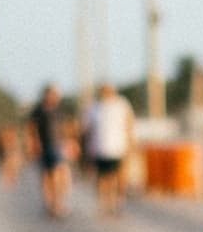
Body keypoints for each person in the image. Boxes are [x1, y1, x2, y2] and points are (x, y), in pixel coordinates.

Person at [82, 85, 135, 216]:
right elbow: (86, 129)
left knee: (118, 177)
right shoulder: (94, 108)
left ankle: (117, 203)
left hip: (118, 147)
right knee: (102, 178)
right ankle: (104, 204)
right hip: (99, 148)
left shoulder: (121, 104)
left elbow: (129, 123)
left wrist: (131, 144)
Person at [27, 86, 74, 219]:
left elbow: (67, 128)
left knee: (59, 175)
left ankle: (57, 203)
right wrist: (33, 144)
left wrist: (70, 142)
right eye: (52, 94)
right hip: (44, 146)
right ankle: (50, 204)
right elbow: (31, 128)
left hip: (58, 146)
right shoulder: (38, 110)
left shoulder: (60, 110)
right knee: (47, 176)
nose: (54, 97)